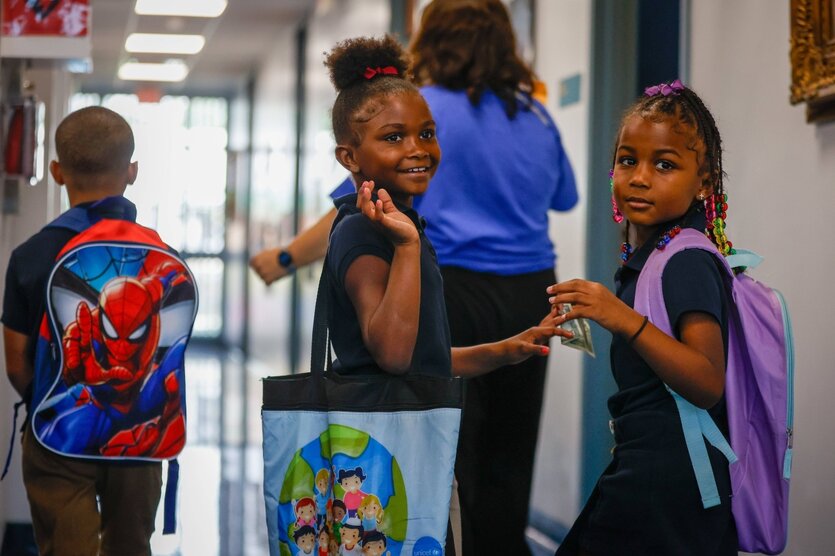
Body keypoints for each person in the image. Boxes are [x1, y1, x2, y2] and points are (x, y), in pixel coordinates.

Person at [250, 2, 578, 552]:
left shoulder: (417, 107)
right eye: (399, 139)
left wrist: (287, 258)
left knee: (451, 443)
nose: (416, 147)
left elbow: (353, 205)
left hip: (452, 282)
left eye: (424, 136)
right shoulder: (534, 116)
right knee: (510, 454)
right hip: (530, 288)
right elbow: (566, 197)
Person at [547, 81, 737, 555]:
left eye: (665, 164)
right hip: (646, 468)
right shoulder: (656, 255)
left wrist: (620, 317)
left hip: (671, 484)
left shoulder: (686, 260)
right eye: (628, 160)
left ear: (704, 182)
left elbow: (707, 380)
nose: (639, 177)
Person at [2, 106, 162, 555]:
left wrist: (48, 400)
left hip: (57, 432)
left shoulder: (30, 255)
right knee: (131, 546)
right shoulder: (158, 253)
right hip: (138, 434)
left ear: (57, 172)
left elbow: (16, 363)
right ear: (131, 171)